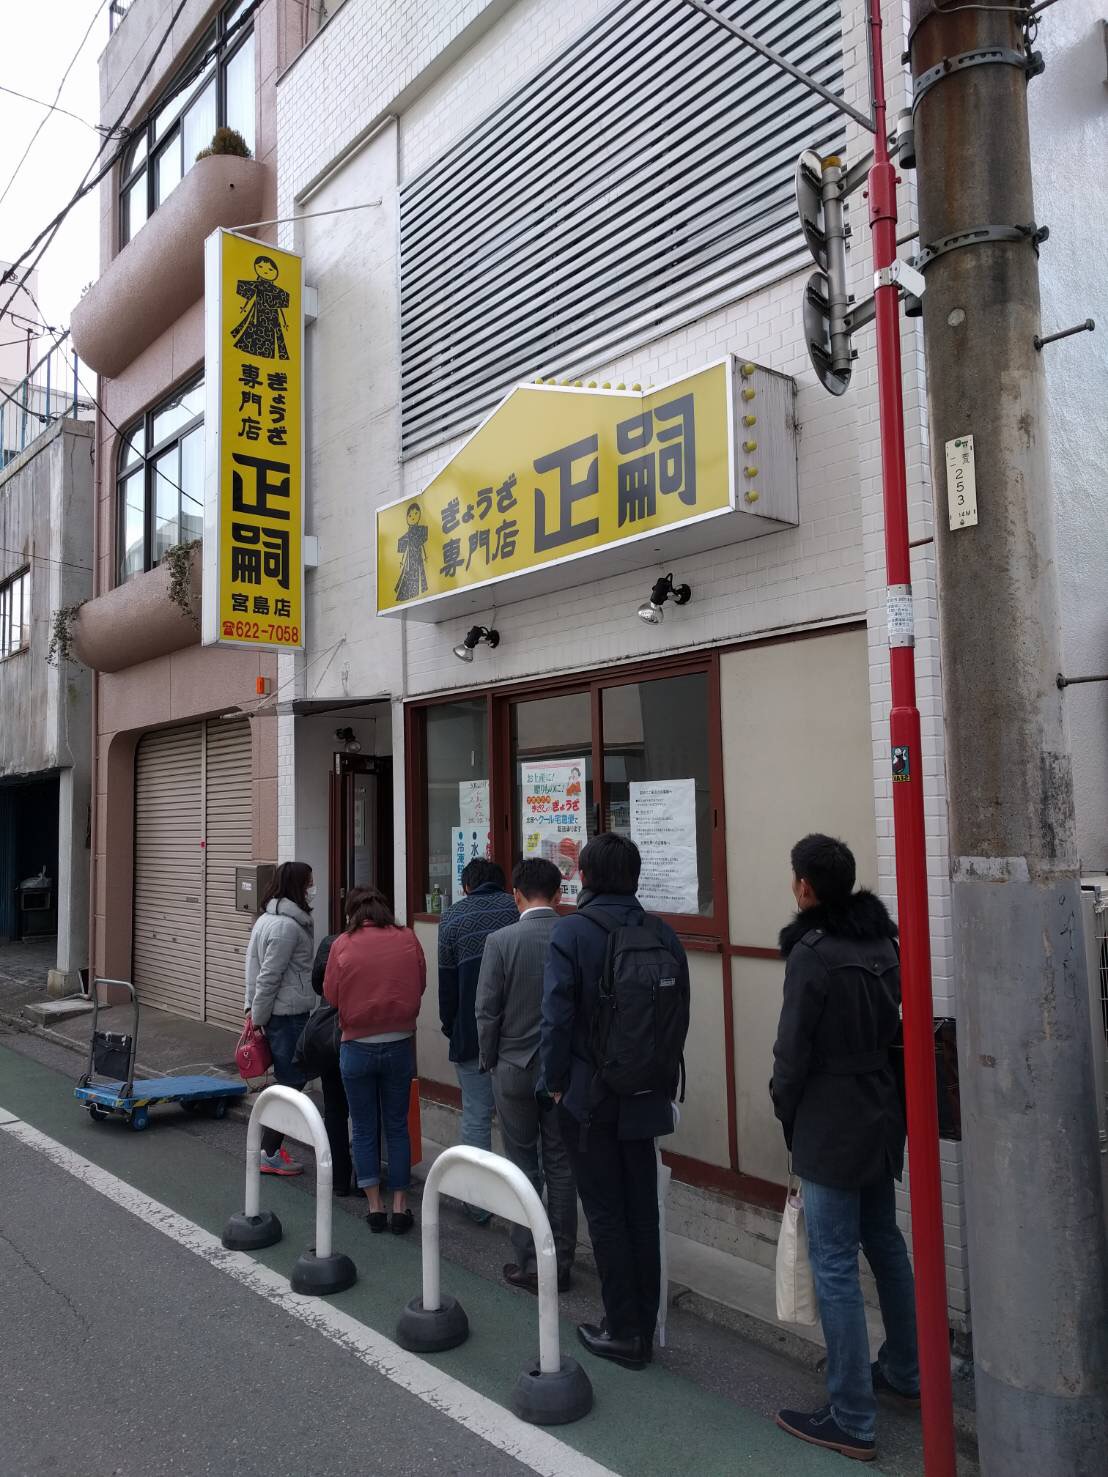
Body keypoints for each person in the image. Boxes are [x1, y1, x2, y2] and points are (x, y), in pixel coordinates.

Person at [771, 834, 919, 1464]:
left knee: (833, 1261)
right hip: (880, 1110)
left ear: (805, 886)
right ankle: (908, 1371)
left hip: (829, 1120)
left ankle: (853, 1416)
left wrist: (786, 1111)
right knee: (884, 1242)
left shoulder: (812, 953)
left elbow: (792, 1051)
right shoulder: (883, 942)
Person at [541, 833, 690, 1370]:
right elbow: (678, 1020)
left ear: (586, 875)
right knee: (640, 1212)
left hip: (589, 1098)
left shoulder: (573, 932)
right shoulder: (663, 934)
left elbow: (556, 1019)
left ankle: (622, 1330)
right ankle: (643, 1327)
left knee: (605, 1213)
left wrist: (553, 1082)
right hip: (646, 1094)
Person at [476, 857, 577, 1293]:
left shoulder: (500, 940)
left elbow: (487, 1011)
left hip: (513, 1069)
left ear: (516, 894)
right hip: (564, 1072)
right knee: (561, 1165)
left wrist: (489, 1059)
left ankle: (529, 1261)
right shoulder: (572, 936)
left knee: (521, 1165)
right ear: (559, 894)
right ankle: (564, 1263)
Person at [324, 886, 426, 1234]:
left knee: (364, 1127)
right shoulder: (408, 938)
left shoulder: (343, 944)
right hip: (399, 1043)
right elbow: (421, 983)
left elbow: (331, 994)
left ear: (354, 914)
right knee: (397, 1126)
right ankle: (400, 1205)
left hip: (357, 1046)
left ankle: (374, 1205)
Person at [438, 856, 518, 1223]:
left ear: (466, 886)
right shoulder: (516, 908)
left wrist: (450, 1026)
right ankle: (524, 1200)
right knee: (521, 1123)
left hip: (471, 1036)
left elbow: (447, 986)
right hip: (521, 1037)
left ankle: (479, 1203)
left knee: (475, 1116)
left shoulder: (453, 917)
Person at [244, 861, 317, 1176]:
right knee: (292, 1082)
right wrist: (257, 1016)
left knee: (288, 1081)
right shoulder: (287, 927)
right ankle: (268, 1151)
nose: (313, 888)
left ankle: (267, 1148)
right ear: (298, 886)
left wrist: (252, 1010)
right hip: (287, 1015)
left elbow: (252, 969)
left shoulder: (266, 919)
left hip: (278, 1013)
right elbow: (269, 977)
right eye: (309, 882)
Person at [310, 924, 354, 1197]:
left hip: (330, 1036)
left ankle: (339, 1179)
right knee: (365, 1111)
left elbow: (318, 984)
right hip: (361, 1035)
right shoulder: (375, 945)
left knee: (335, 1110)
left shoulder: (329, 943)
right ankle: (365, 1182)